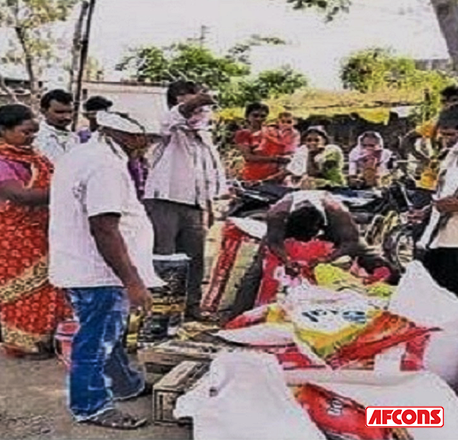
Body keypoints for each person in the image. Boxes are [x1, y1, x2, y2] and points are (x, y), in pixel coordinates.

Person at [49, 111, 164, 429]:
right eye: (148, 140)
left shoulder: (87, 154)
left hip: (90, 265)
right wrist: (132, 280)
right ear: (129, 136)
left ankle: (126, 385)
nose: (149, 146)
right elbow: (104, 227)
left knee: (107, 335)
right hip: (100, 271)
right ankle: (91, 405)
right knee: (96, 339)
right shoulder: (105, 166)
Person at [230, 190, 396, 318]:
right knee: (258, 268)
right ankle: (235, 316)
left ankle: (397, 295)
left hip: (330, 228)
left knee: (371, 257)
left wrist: (327, 259)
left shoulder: (336, 212)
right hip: (289, 228)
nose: (306, 242)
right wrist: (287, 260)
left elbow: (351, 242)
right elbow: (274, 243)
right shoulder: (277, 214)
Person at [143, 87, 226, 322]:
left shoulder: (204, 135)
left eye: (200, 106)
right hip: (164, 201)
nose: (196, 110)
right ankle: (158, 310)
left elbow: (207, 174)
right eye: (190, 104)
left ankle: (191, 306)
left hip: (195, 204)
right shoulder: (167, 124)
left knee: (194, 258)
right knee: (163, 258)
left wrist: (209, 206)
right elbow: (180, 113)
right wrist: (198, 100)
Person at [0, 104, 71, 358]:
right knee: (23, 291)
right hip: (14, 237)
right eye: (25, 132)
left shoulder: (37, 158)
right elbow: (20, 196)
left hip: (44, 230)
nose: (30, 138)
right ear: (3, 131)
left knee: (49, 288)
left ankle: (48, 338)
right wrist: (69, 192)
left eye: (34, 133)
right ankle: (24, 343)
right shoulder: (2, 161)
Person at [415, 104, 458, 296]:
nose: (446, 140)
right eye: (444, 135)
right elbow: (445, 190)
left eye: (450, 134)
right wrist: (427, 210)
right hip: (439, 237)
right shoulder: (450, 155)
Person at [234, 103, 290, 182]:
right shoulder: (243, 134)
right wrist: (275, 159)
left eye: (262, 116)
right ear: (247, 116)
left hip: (276, 176)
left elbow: (284, 150)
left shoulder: (273, 132)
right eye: (255, 115)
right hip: (254, 177)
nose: (259, 119)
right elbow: (248, 157)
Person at [34, 89, 79, 163]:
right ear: (43, 111)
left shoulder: (74, 138)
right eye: (60, 112)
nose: (67, 117)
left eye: (70, 112)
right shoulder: (35, 137)